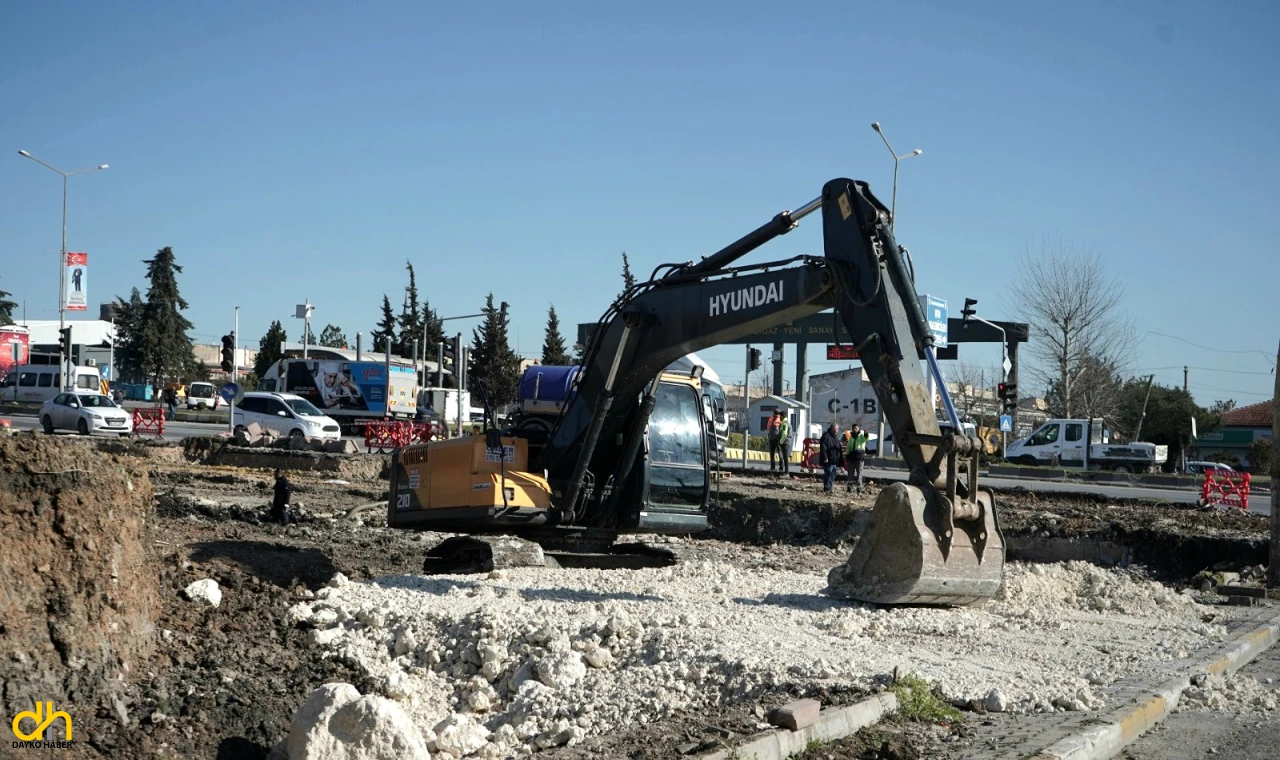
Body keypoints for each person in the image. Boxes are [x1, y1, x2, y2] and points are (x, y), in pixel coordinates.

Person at [845, 422, 870, 494]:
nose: (855, 429)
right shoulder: (851, 438)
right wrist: (847, 455)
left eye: (856, 428)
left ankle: (859, 489)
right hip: (852, 457)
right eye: (854, 428)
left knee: (859, 473)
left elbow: (866, 438)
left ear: (859, 429)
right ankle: (849, 488)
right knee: (850, 473)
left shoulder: (861, 436)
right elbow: (849, 447)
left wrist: (866, 433)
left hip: (859, 457)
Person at [819, 423, 843, 492]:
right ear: (831, 429)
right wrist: (825, 457)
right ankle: (826, 487)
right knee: (828, 473)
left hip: (834, 460)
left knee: (833, 474)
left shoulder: (835, 437)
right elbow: (823, 448)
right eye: (834, 429)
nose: (836, 431)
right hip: (828, 460)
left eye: (837, 429)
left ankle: (829, 486)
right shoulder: (826, 436)